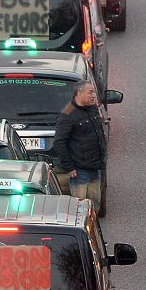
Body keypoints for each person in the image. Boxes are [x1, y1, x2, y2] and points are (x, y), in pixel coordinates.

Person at [54, 81, 106, 211]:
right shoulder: (68, 114)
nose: (94, 96)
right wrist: (69, 167)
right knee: (80, 209)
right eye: (90, 92)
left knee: (94, 207)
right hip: (79, 171)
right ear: (79, 93)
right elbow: (59, 143)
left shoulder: (92, 109)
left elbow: (99, 132)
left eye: (94, 92)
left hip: (95, 168)